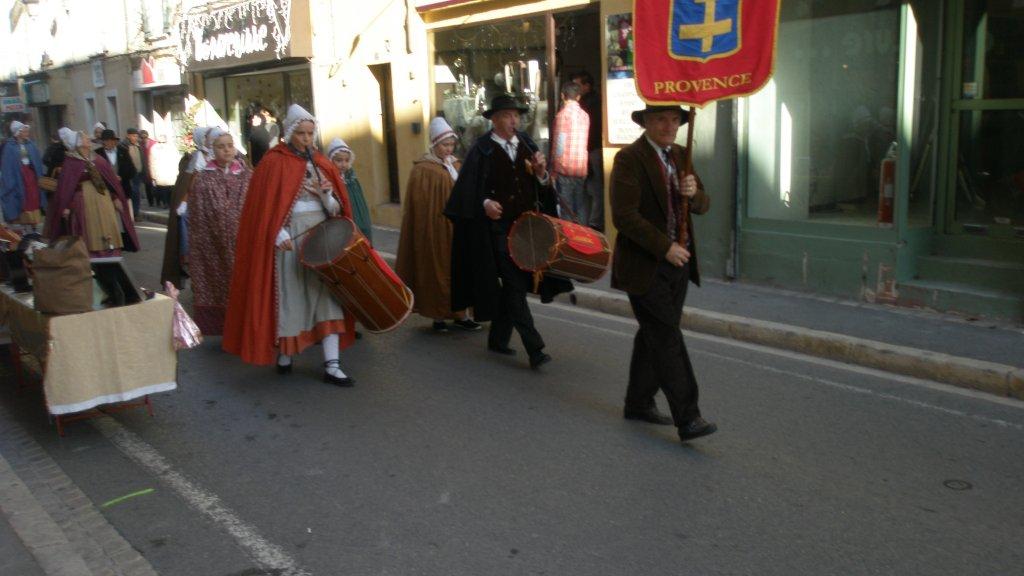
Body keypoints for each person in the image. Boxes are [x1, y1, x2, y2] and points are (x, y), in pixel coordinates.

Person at [223, 104, 357, 386]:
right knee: (291, 297)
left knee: (326, 297)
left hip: (321, 237)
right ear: (289, 133)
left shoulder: (323, 164)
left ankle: (332, 364)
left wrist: (326, 197)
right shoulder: (273, 162)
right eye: (301, 133)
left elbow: (336, 211)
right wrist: (276, 232)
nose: (307, 139)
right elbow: (263, 209)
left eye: (311, 133)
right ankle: (286, 353)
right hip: (289, 241)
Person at [609, 104, 716, 443]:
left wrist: (693, 193)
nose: (669, 126)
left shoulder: (681, 155)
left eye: (674, 120)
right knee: (667, 337)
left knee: (654, 333)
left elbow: (704, 203)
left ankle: (638, 402)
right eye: (660, 119)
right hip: (645, 265)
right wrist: (664, 247)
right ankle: (688, 416)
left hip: (679, 264)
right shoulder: (630, 158)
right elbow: (624, 216)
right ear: (646, 123)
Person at [444, 94, 572, 369]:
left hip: (526, 229)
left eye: (516, 115)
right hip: (495, 231)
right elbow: (466, 192)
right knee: (514, 285)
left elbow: (544, 186)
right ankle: (535, 348)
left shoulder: (526, 143)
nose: (514, 120)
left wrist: (541, 174)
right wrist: (485, 204)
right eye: (507, 115)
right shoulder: (482, 150)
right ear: (494, 119)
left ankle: (498, 340)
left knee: (517, 287)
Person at [395, 117, 481, 333]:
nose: (448, 149)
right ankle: (438, 317)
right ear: (434, 144)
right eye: (444, 144)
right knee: (437, 272)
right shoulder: (423, 169)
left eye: (451, 144)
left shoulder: (456, 165)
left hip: (458, 229)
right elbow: (420, 207)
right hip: (435, 231)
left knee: (461, 272)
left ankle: (462, 314)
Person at [185, 127, 252, 335]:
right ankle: (227, 327)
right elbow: (198, 216)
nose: (227, 150)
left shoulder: (247, 175)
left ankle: (249, 324)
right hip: (214, 244)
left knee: (246, 281)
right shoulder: (204, 178)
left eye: (230, 146)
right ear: (212, 150)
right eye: (221, 147)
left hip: (243, 240)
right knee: (222, 283)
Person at [45, 128, 139, 257]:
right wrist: (67, 205)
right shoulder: (71, 162)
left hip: (103, 199)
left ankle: (109, 251)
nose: (88, 139)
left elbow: (107, 180)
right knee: (90, 229)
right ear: (78, 143)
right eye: (84, 138)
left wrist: (115, 197)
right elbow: (66, 187)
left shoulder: (97, 158)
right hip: (83, 201)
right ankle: (92, 254)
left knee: (107, 226)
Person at [160, 126, 209, 289]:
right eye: (208, 136)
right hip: (199, 210)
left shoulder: (219, 155)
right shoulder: (196, 159)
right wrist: (185, 203)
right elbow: (190, 186)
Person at [551, 82, 590, 224]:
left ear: (562, 96)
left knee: (567, 209)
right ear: (578, 97)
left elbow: (559, 144)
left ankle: (568, 241)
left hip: (565, 168)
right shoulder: (585, 116)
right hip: (581, 168)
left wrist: (553, 170)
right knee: (580, 206)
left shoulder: (562, 116)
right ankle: (584, 239)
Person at [571, 71, 605, 231]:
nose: (575, 89)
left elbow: (592, 130)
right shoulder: (588, 101)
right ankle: (591, 222)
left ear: (587, 86)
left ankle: (594, 223)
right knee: (589, 187)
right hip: (588, 149)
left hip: (592, 149)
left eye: (578, 85)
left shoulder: (590, 103)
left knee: (594, 188)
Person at [1, 121, 46, 231]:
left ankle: (34, 226)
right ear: (18, 132)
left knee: (33, 198)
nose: (27, 133)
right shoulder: (9, 147)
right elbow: (8, 166)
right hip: (18, 178)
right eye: (24, 131)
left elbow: (37, 161)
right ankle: (25, 227)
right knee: (22, 199)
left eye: (27, 131)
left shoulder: (30, 144)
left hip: (31, 176)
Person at [326, 137, 373, 242]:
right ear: (331, 160)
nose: (343, 164)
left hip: (359, 216)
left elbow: (360, 198)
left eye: (346, 160)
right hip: (343, 219)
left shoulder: (351, 177)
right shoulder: (330, 179)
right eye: (339, 160)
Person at [95, 129, 138, 217]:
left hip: (124, 190)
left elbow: (132, 170)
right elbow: (96, 173)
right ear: (103, 141)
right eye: (106, 140)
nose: (109, 142)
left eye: (111, 140)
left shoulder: (123, 151)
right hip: (107, 193)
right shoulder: (97, 153)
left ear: (115, 141)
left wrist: (121, 177)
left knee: (127, 220)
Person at [121, 128, 145, 218]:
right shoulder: (123, 146)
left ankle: (136, 212)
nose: (136, 138)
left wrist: (144, 171)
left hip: (138, 173)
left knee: (136, 193)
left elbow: (143, 159)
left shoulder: (138, 146)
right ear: (128, 136)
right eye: (134, 136)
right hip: (129, 175)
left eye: (136, 136)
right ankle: (130, 213)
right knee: (131, 193)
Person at [139, 129, 158, 207]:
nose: (144, 139)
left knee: (156, 186)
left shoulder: (154, 144)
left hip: (154, 167)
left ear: (147, 136)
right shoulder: (140, 145)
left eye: (145, 137)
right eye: (142, 137)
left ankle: (157, 200)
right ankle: (150, 202)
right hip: (145, 168)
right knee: (147, 186)